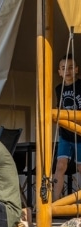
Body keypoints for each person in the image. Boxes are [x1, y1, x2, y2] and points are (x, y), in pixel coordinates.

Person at [54, 58, 81, 198]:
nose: (67, 71)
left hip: (80, 133)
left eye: (71, 67)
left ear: (77, 69)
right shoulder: (58, 89)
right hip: (65, 134)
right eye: (63, 68)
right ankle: (53, 203)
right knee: (60, 166)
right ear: (59, 72)